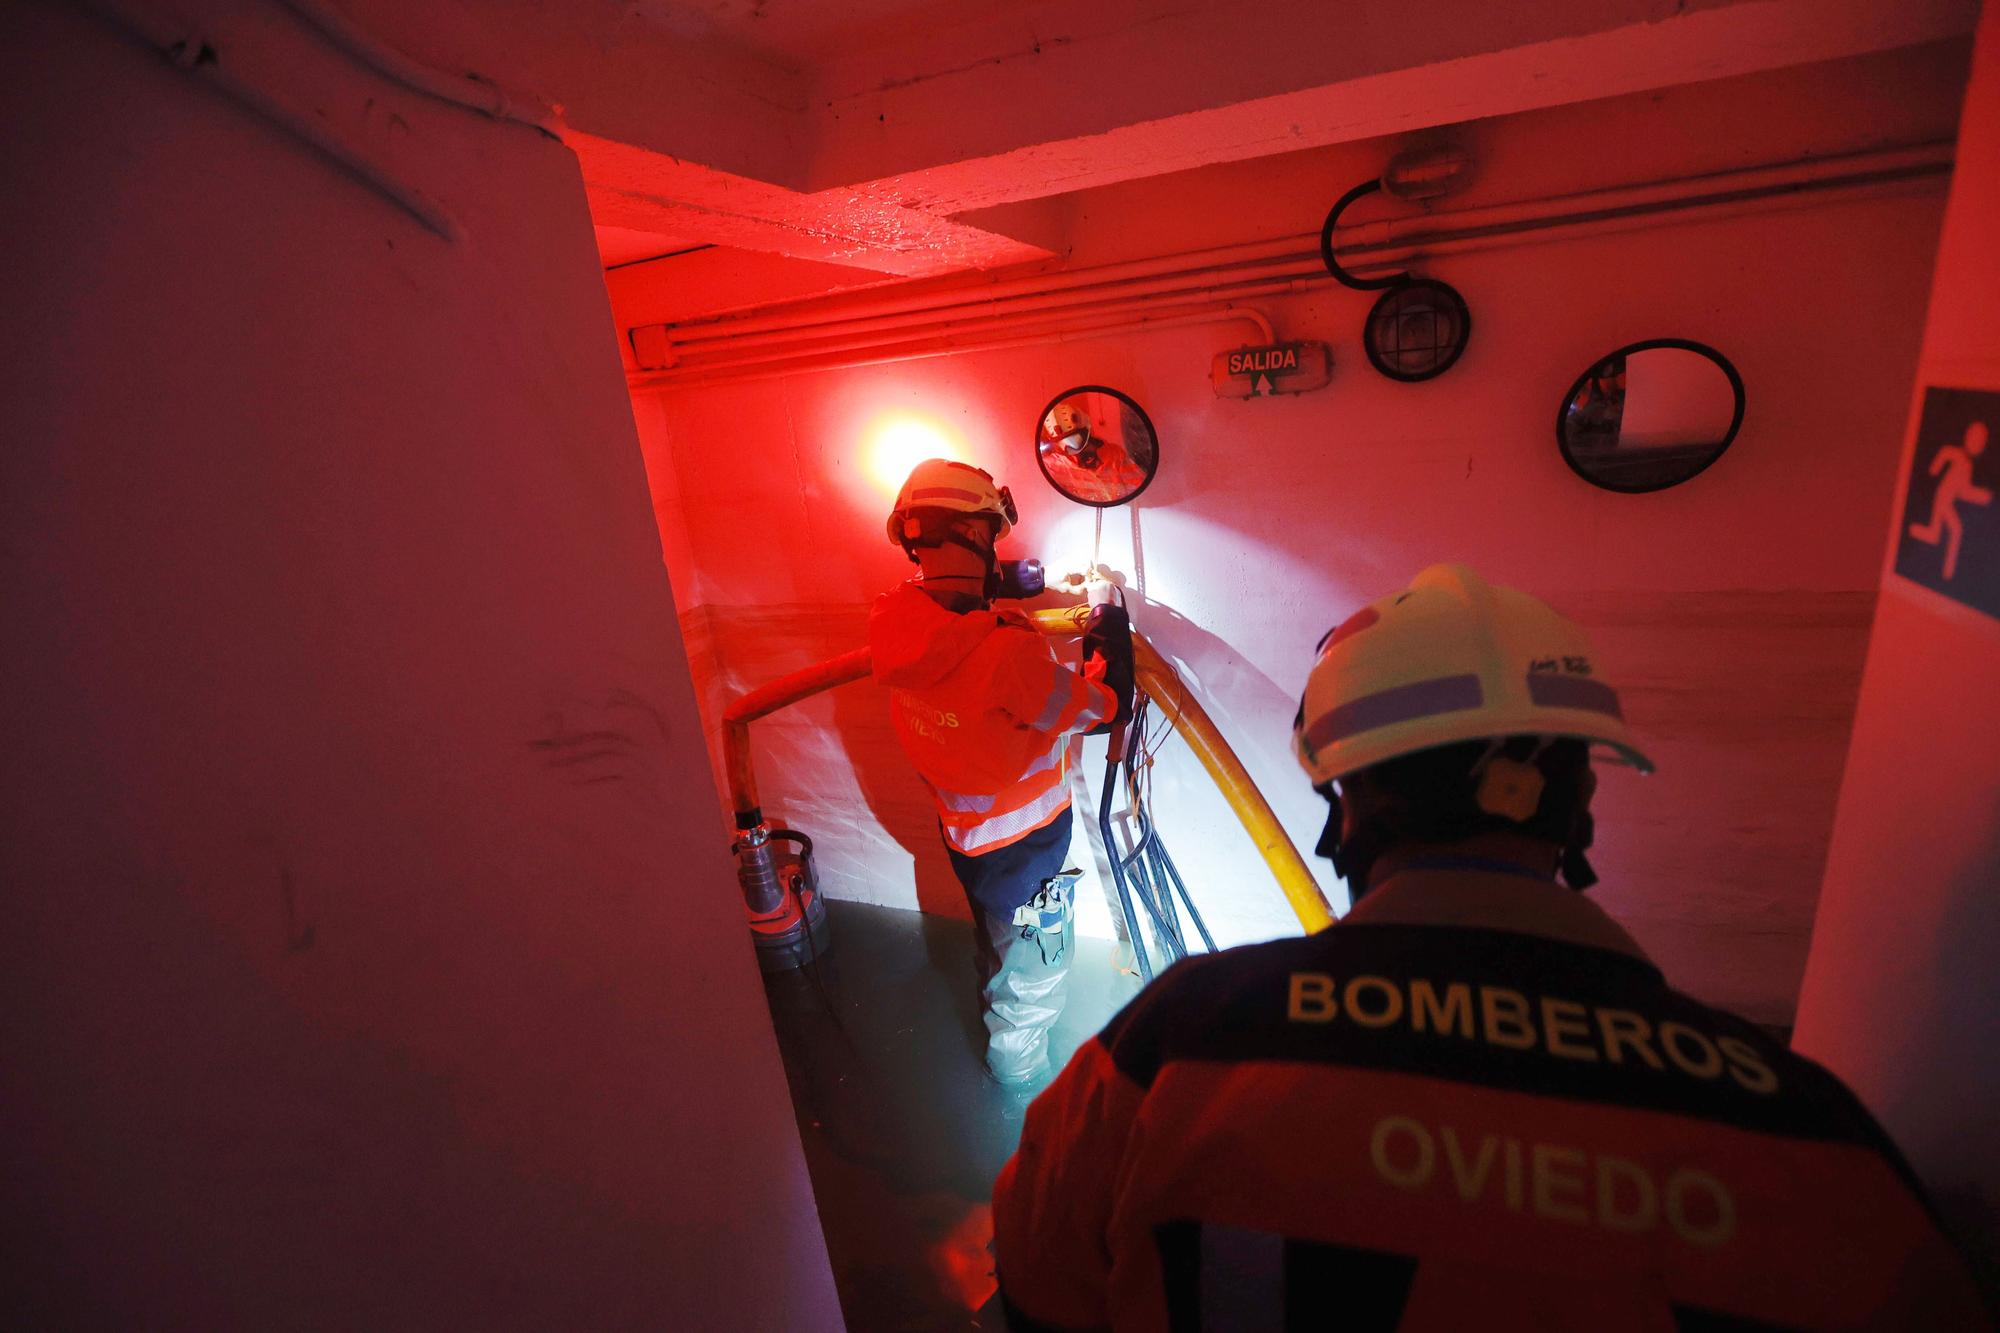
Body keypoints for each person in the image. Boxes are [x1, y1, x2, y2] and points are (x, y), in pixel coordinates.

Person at [992, 564, 1987, 1330]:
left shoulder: (1169, 1046)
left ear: (1343, 800)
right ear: (1573, 801)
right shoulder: (1796, 1127)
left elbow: (1039, 1288)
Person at [870, 458, 1134, 1086]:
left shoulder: (895, 623)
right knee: (1036, 961)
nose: (998, 552)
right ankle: (1019, 1075)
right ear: (974, 536)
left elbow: (961, 654)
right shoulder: (1003, 652)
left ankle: (997, 1018)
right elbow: (1096, 710)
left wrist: (998, 607)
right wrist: (1104, 638)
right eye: (992, 536)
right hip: (1027, 846)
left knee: (997, 940)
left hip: (966, 835)